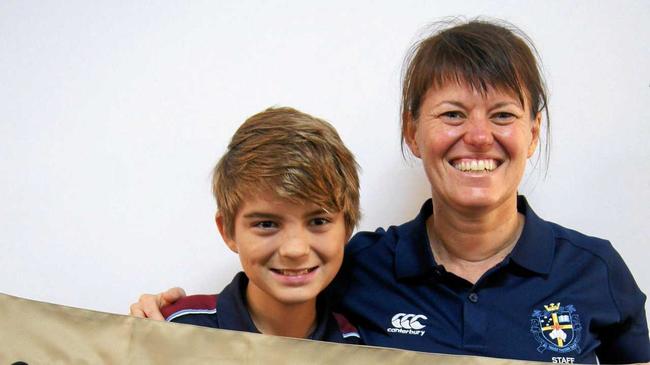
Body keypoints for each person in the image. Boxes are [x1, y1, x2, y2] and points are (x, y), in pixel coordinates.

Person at [130, 20, 649, 363]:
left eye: (503, 116)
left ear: (532, 133)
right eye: (451, 115)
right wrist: (161, 327)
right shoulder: (355, 266)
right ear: (412, 131)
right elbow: (268, 314)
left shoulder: (596, 271)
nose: (478, 137)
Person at [134, 107, 361, 344]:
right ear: (227, 231)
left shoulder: (360, 348)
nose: (295, 249)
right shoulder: (171, 329)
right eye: (266, 224)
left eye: (318, 221)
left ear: (346, 227)